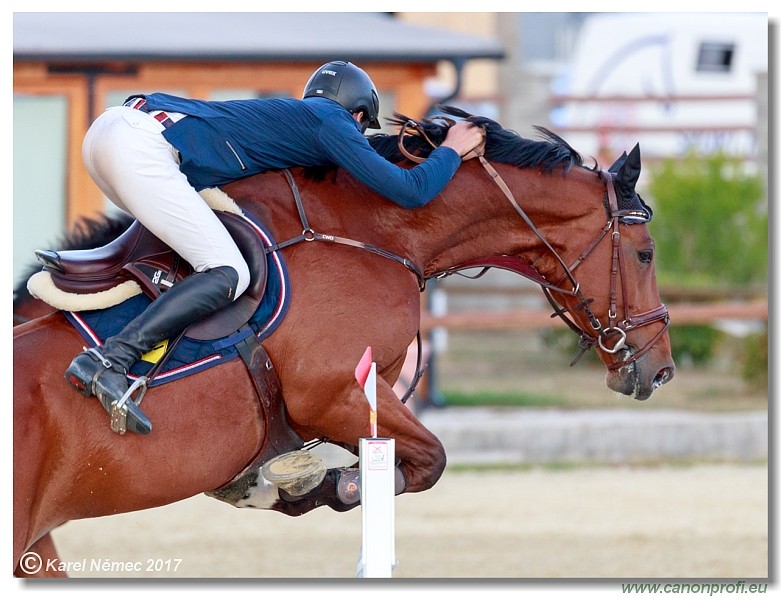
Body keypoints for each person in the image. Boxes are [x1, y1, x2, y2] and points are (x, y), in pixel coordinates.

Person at [65, 60, 485, 435]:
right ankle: (110, 361)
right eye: (360, 127)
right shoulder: (331, 121)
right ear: (357, 114)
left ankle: (159, 366)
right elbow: (411, 192)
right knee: (229, 272)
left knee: (198, 260)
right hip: (139, 145)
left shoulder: (290, 120)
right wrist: (452, 148)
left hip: (110, 131)